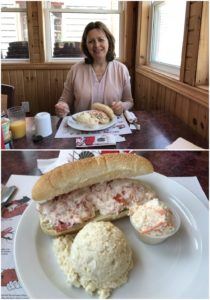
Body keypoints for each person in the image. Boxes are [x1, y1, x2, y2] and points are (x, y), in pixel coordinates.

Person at [55, 21, 133, 117]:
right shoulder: (75, 70)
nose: (96, 45)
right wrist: (62, 107)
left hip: (113, 126)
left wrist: (122, 106)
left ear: (109, 41)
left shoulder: (121, 69)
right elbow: (64, 100)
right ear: (86, 46)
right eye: (91, 41)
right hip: (82, 126)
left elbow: (129, 101)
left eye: (101, 40)